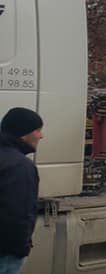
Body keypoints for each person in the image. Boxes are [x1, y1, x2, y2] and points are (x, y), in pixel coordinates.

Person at [0, 108, 44, 274]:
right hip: (6, 252)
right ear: (24, 133)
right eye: (38, 130)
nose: (41, 136)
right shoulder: (20, 166)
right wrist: (21, 248)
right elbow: (17, 213)